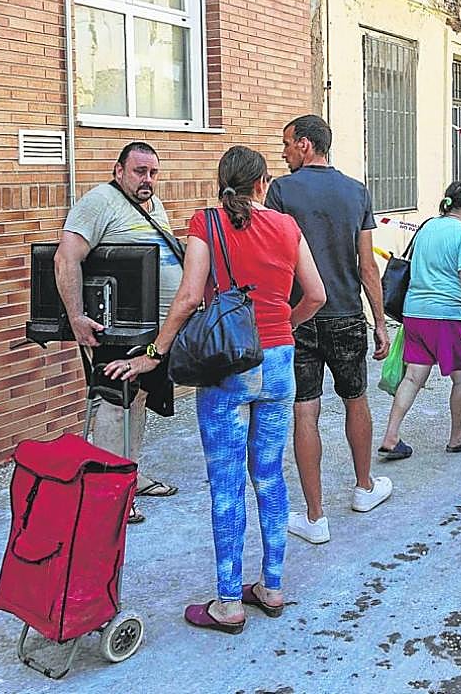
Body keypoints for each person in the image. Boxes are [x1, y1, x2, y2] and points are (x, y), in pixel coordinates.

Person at [104, 146, 326, 634]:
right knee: (269, 475)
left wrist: (153, 355)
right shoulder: (288, 227)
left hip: (228, 367)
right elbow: (317, 295)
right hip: (280, 361)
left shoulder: (207, 222)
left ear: (222, 181)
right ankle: (272, 586)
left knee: (226, 483)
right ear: (263, 183)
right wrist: (279, 327)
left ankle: (228, 602)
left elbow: (187, 297)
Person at [266, 114, 393, 545]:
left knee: (306, 410)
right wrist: (379, 322)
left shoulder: (282, 191)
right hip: (345, 315)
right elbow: (367, 265)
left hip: (298, 316)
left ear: (305, 144)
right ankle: (363, 488)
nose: (282, 153)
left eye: (286, 144)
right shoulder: (356, 191)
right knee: (356, 398)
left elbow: (274, 257)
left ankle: (315, 517)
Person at [54, 141, 182, 524]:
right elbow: (65, 257)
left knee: (136, 399)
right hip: (119, 330)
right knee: (115, 402)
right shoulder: (99, 202)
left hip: (152, 333)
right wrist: (76, 316)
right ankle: (111, 495)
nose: (147, 179)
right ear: (119, 170)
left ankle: (131, 475)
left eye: (153, 172)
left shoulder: (151, 205)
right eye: (140, 171)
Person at [378, 182, 461, 460]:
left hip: (415, 313)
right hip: (449, 315)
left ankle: (391, 436)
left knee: (414, 376)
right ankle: (457, 437)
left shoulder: (426, 227)